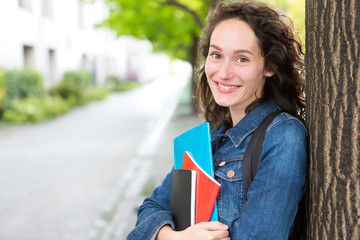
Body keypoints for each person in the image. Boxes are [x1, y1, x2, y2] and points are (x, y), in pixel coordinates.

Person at [126, 1, 307, 239]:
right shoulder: (210, 137)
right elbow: (147, 213)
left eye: (241, 59)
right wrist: (177, 237)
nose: (223, 72)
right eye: (216, 55)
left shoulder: (283, 136)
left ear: (269, 66)